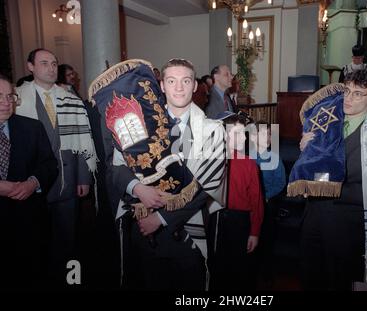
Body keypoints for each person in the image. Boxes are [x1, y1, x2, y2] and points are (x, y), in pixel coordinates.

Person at [89, 58, 227, 290]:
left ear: (196, 86)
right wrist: (137, 188)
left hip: (186, 234)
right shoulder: (140, 119)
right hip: (143, 230)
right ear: (161, 85)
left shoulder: (212, 130)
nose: (179, 88)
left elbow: (206, 186)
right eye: (172, 81)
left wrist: (161, 219)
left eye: (186, 81)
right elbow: (116, 167)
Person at [297, 70, 367, 290]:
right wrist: (305, 150)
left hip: (345, 223)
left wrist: (323, 179)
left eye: (357, 94)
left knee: (338, 280)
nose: (348, 98)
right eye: (346, 91)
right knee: (310, 275)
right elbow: (310, 166)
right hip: (313, 213)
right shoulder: (328, 119)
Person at [15, 48, 98, 287]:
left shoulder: (70, 99)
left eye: (54, 63)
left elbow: (83, 142)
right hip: (32, 184)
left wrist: (84, 178)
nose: (51, 68)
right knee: (37, 239)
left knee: (68, 239)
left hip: (67, 180)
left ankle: (70, 281)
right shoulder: (17, 99)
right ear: (30, 67)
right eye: (44, 63)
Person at [0, 74, 58, 289]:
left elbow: (50, 165)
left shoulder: (32, 127)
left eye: (10, 96)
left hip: (28, 221)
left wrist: (33, 183)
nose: (6, 103)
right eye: (0, 97)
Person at [209, 112, 264, 290]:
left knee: (240, 271)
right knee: (216, 269)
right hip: (214, 219)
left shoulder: (249, 164)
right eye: (237, 134)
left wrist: (254, 232)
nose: (243, 139)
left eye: (244, 134)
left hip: (240, 221)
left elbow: (256, 202)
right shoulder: (211, 161)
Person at [249, 120, 286, 284]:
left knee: (266, 239)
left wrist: (265, 196)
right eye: (265, 133)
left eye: (270, 134)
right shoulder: (247, 157)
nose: (269, 137)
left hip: (266, 201)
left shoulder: (275, 158)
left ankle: (266, 273)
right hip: (248, 204)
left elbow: (280, 183)